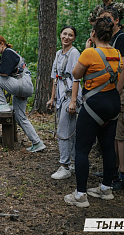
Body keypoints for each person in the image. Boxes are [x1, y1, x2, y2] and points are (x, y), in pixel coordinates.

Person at [64, 17, 122, 208]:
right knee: (107, 147)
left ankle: (80, 195)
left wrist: (89, 47)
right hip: (113, 103)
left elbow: (76, 74)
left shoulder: (89, 53)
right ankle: (106, 188)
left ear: (94, 33)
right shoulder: (117, 53)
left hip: (94, 105)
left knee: (82, 149)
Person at [0, 35, 45, 153]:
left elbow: (2, 73)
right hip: (23, 87)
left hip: (21, 84)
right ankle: (37, 142)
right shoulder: (4, 56)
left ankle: (2, 104)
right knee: (20, 117)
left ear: (2, 44)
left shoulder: (8, 52)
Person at [98, 7, 124, 191]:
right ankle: (113, 170)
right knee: (110, 135)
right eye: (103, 19)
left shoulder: (123, 38)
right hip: (107, 93)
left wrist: (115, 92)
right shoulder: (106, 39)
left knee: (121, 135)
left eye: (109, 19)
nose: (106, 22)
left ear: (117, 20)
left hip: (119, 92)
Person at [47, 26, 82, 180]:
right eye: (65, 34)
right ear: (60, 35)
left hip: (70, 96)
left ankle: (65, 165)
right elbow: (56, 77)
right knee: (69, 130)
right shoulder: (58, 54)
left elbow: (76, 78)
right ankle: (73, 162)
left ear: (74, 38)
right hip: (61, 97)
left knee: (63, 131)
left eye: (70, 35)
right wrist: (52, 98)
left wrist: (73, 101)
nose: (67, 37)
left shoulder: (74, 53)